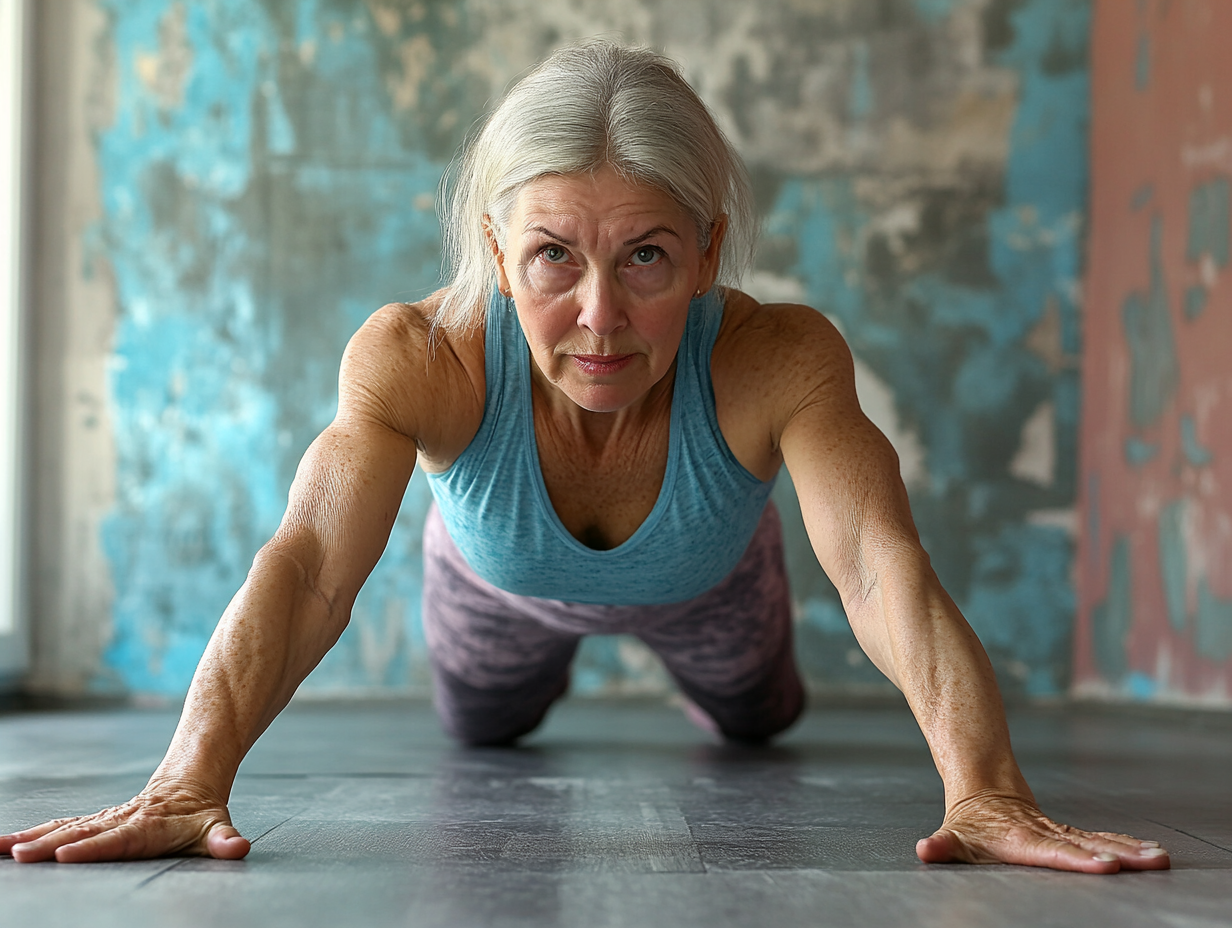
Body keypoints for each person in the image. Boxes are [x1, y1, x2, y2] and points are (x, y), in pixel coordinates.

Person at [1, 41, 1168, 873]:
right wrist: (187, 780)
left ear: (706, 251)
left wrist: (985, 791)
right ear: (495, 247)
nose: (599, 318)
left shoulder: (776, 357)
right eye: (553, 255)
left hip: (715, 591)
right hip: (490, 596)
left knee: (760, 723)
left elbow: (874, 565)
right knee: (485, 731)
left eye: (646, 256)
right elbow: (307, 567)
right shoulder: (420, 356)